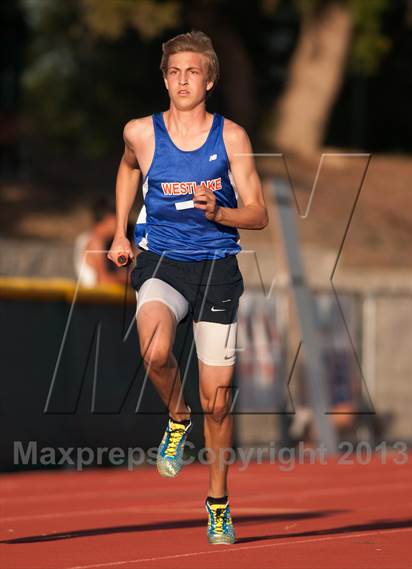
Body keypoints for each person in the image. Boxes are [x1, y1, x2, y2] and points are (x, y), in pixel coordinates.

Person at [108, 30, 268, 545]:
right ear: (165, 77)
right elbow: (128, 169)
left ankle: (217, 501)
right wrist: (120, 229)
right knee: (155, 350)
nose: (182, 80)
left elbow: (259, 212)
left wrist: (221, 211)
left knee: (218, 403)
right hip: (161, 262)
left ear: (210, 80)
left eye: (192, 72)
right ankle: (177, 417)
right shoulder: (141, 132)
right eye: (174, 71)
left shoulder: (232, 137)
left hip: (217, 269)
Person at [74, 196, 132, 287]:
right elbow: (103, 280)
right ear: (109, 218)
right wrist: (127, 278)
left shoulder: (89, 238)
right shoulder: (96, 241)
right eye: (118, 218)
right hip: (96, 297)